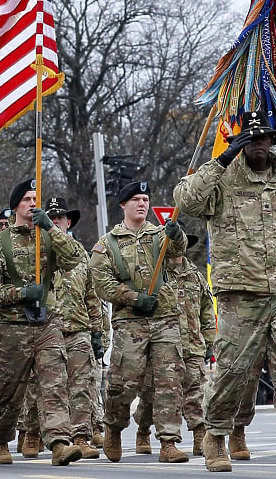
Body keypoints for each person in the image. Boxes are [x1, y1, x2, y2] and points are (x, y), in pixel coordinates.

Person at [174, 110, 276, 474]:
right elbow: (186, 201)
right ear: (241, 143)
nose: (259, 144)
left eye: (264, 138)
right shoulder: (222, 179)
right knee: (231, 373)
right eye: (251, 139)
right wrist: (221, 159)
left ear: (272, 141)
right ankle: (216, 435)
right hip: (240, 295)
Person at [0, 181, 85, 467]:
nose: (32, 203)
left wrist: (51, 228)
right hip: (13, 326)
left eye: (35, 198)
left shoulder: (49, 236)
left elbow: (76, 258)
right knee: (8, 389)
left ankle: (59, 442)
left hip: (47, 324)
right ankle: (0, 439)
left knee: (54, 383)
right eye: (26, 199)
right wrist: (21, 293)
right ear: (16, 205)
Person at [88, 180, 189, 464]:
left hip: (164, 317)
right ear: (123, 205)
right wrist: (131, 297)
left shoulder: (160, 235)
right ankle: (113, 426)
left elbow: (179, 250)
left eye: (145, 199)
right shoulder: (107, 244)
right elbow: (101, 284)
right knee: (124, 382)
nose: (142, 204)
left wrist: (176, 233)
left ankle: (169, 441)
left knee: (170, 381)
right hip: (130, 322)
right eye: (136, 199)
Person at [133, 223, 216, 456]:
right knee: (154, 393)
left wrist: (209, 340)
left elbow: (206, 310)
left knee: (195, 392)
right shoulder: (157, 273)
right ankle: (143, 428)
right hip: (163, 344)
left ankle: (200, 435)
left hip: (192, 345)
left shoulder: (195, 276)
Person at [46, 196, 104, 458]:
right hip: (49, 329)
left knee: (81, 385)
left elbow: (92, 296)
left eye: (60, 218)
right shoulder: (39, 252)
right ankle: (38, 435)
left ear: (68, 222)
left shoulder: (80, 254)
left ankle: (81, 436)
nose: (56, 222)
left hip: (78, 327)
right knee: (51, 388)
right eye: (52, 218)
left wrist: (97, 332)